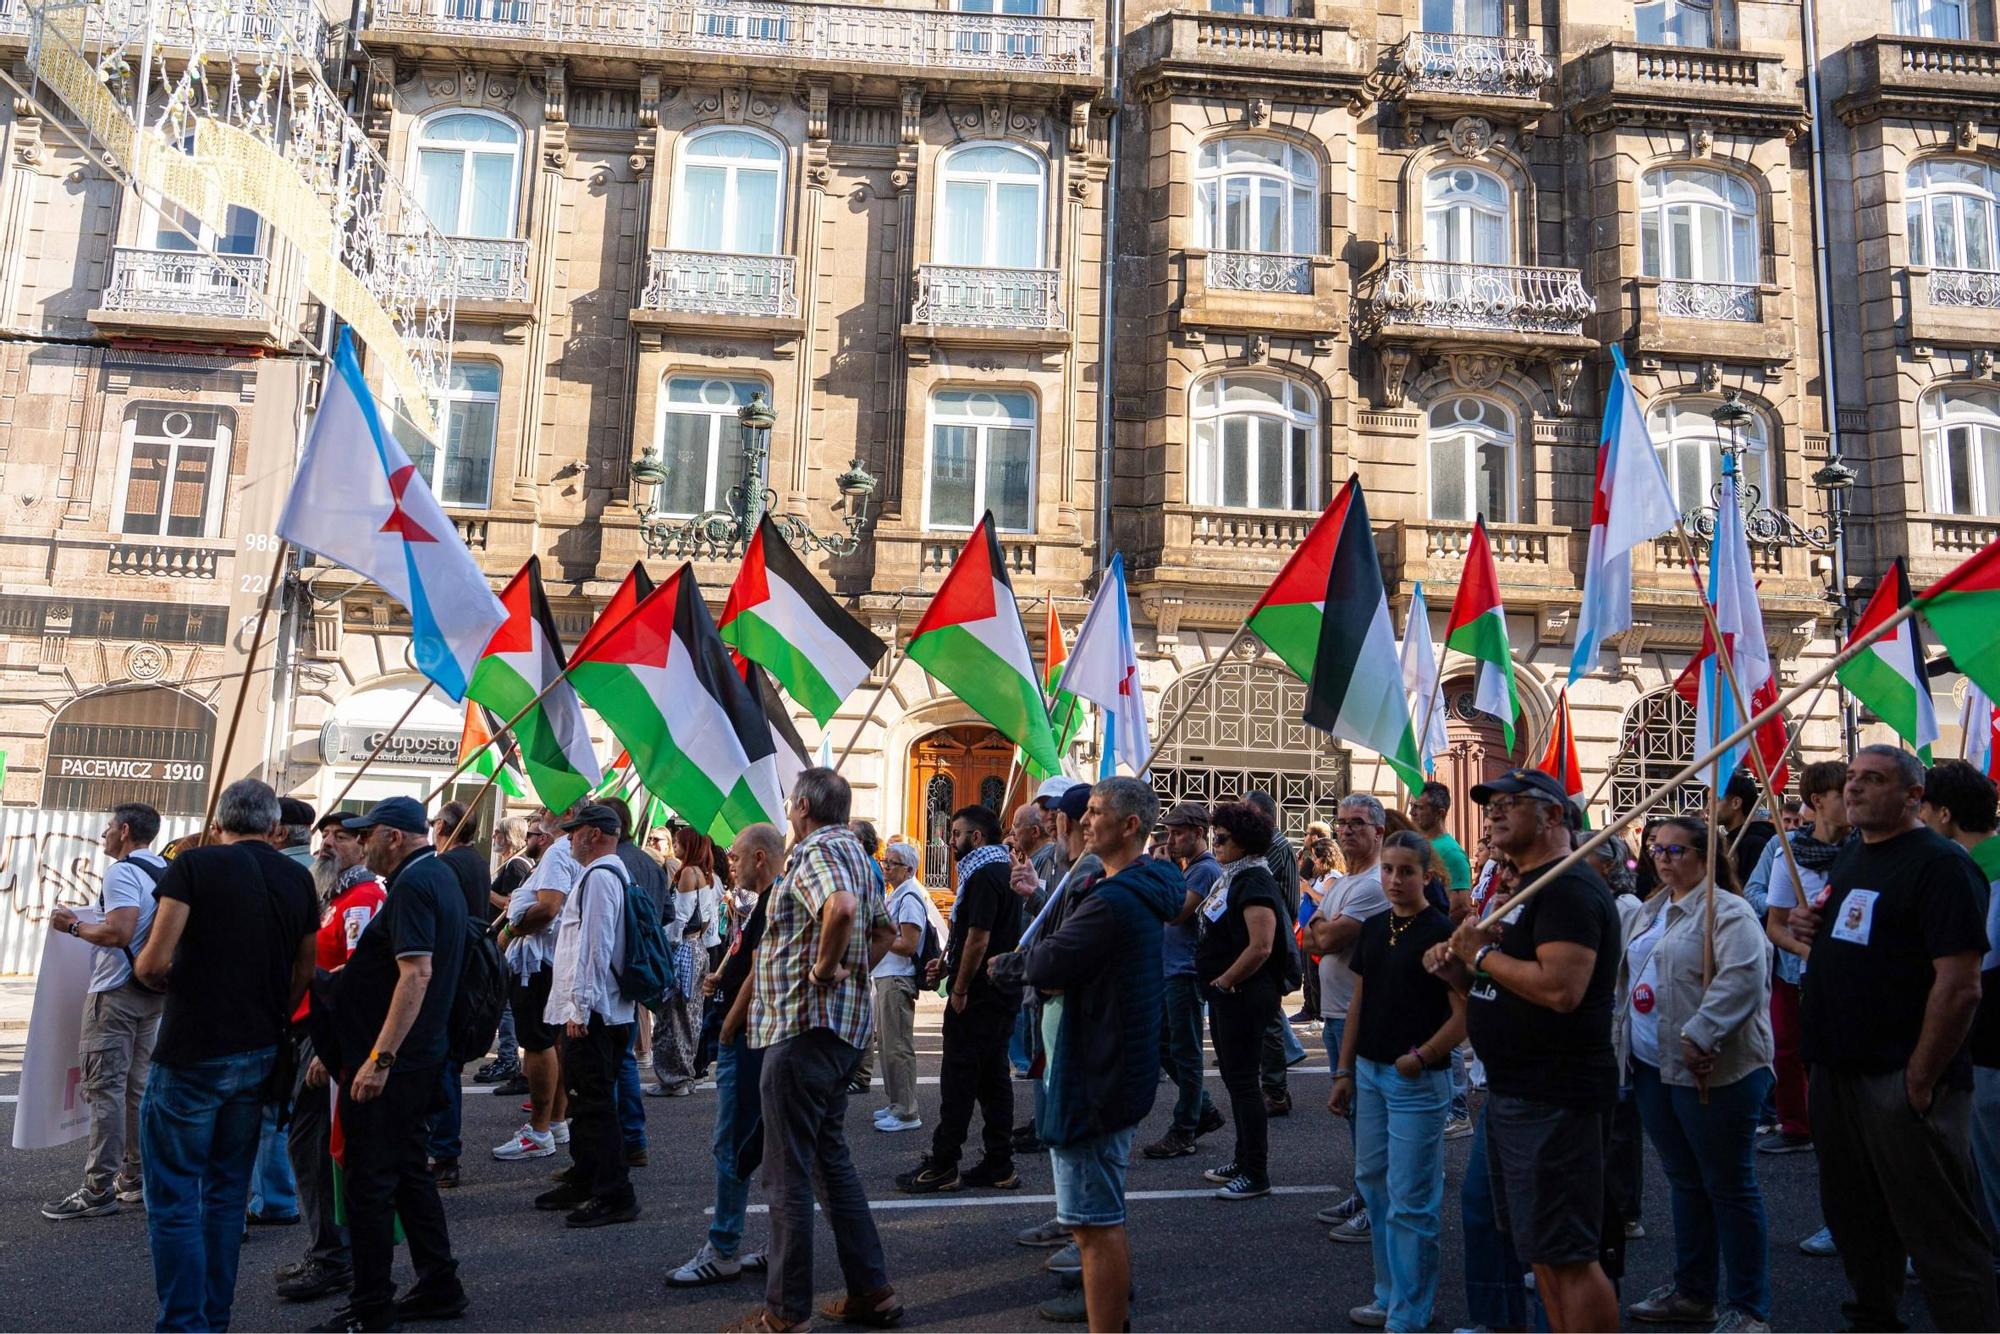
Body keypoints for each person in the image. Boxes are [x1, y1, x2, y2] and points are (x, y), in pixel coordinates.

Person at [1789, 745, 1998, 1330]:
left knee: (1939, 1232)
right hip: (1838, 1071)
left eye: (1873, 780)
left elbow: (1960, 986)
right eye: (1852, 778)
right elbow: (1861, 930)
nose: (1853, 789)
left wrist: (1920, 1079)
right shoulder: (1854, 854)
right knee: (1857, 1222)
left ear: (1914, 797)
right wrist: (1813, 924)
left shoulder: (1941, 864)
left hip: (1898, 1079)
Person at [1424, 767, 1622, 1333]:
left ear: (1554, 815)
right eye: (1491, 806)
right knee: (1541, 1253)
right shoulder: (1529, 890)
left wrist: (1481, 956)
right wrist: (1460, 970)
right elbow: (1499, 988)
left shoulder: (1567, 889)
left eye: (1511, 804)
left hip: (1555, 1095)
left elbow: (1561, 990)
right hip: (1516, 1094)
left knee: (1568, 1256)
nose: (1494, 813)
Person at [991, 776, 1183, 1333]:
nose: (1083, 820)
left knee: (1096, 1227)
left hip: (1095, 1074)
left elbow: (1048, 962)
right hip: (1107, 1066)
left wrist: (1019, 968)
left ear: (1130, 826)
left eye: (1096, 812)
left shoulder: (1115, 899)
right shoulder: (1125, 888)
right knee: (1095, 1220)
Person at [132, 779, 317, 1334]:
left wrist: (167, 977)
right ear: (274, 828)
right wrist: (272, 1008)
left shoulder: (194, 866)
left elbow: (150, 964)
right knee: (226, 1195)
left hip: (191, 1050)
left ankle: (185, 1323)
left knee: (173, 1198)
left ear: (220, 824)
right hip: (261, 1048)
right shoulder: (297, 877)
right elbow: (303, 972)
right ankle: (214, 1318)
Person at [732, 767, 898, 1333]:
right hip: (839, 1032)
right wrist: (850, 976)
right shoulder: (858, 852)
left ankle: (785, 1314)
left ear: (802, 806)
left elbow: (844, 909)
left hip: (803, 1031)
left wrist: (826, 969)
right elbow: (882, 933)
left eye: (789, 804)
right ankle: (872, 1291)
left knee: (788, 1175)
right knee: (830, 1163)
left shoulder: (816, 853)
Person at [313, 795, 469, 1332]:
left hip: (398, 1063)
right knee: (406, 1175)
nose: (360, 844)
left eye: (368, 833)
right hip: (413, 1057)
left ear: (393, 837)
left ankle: (372, 1309)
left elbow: (416, 975)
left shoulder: (416, 884)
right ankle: (439, 1284)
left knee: (371, 1184)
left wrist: (379, 1058)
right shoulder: (434, 877)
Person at [1619, 817, 1775, 1332]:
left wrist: (1703, 1033)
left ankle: (1749, 1307)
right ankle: (1694, 1290)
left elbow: (1743, 976)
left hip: (1714, 1068)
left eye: (1676, 850)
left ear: (1706, 856)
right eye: (1656, 849)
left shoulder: (1727, 912)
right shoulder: (1650, 909)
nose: (1663, 858)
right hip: (1652, 1065)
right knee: (1684, 1180)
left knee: (1728, 1184)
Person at [1330, 832, 1464, 1331]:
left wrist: (1423, 1055)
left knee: (1411, 1199)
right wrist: (1344, 1071)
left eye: (1405, 871)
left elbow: (1463, 1015)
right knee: (1375, 1186)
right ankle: (1387, 1294)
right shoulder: (1373, 926)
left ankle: (1411, 1309)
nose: (1393, 880)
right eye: (1387, 870)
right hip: (1368, 1072)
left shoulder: (1439, 933)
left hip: (1415, 1081)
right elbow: (1358, 1004)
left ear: (1427, 877)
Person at [275, 811, 386, 1304]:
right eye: (326, 835)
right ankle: (326, 1249)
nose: (328, 844)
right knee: (306, 1144)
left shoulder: (364, 898)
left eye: (342, 837)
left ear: (364, 846)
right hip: (305, 1030)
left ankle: (332, 1258)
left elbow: (358, 980)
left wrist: (332, 1046)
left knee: (317, 1146)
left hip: (328, 1040)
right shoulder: (332, 896)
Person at [669, 822, 784, 1288]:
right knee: (767, 1144)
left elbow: (760, 972)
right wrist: (722, 975)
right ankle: (778, 1243)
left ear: (760, 857)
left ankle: (723, 1246)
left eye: (735, 856)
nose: (728, 863)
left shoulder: (775, 899)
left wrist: (729, 1027)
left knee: (733, 1144)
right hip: (755, 1035)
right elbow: (746, 958)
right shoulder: (763, 902)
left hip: (750, 1037)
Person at [42, 801, 167, 1222]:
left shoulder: (122, 872)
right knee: (137, 1087)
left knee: (105, 1089)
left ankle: (98, 1187)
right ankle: (133, 1177)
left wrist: (73, 927)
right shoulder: (165, 872)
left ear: (126, 830)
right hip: (153, 991)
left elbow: (119, 931)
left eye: (109, 827)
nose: (103, 835)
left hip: (115, 993)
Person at [897, 802, 1024, 1193]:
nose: (949, 841)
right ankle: (999, 1164)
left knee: (959, 1082)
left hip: (980, 997)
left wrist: (961, 988)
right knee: (992, 1080)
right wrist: (946, 965)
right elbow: (974, 938)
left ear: (977, 837)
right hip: (996, 993)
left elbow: (980, 937)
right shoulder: (999, 869)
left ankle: (944, 1164)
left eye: (955, 834)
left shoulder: (985, 874)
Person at [532, 804, 643, 1229]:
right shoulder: (605, 874)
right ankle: (585, 1176)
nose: (569, 837)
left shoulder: (600, 877)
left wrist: (579, 1007)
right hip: (600, 1009)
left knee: (594, 1104)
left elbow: (595, 946)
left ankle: (615, 1193)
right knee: (583, 1100)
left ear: (594, 834)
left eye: (575, 831)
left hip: (595, 1013)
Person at [1305, 793, 1390, 1241]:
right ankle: (1364, 1191)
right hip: (1335, 1013)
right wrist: (1320, 931)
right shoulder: (1342, 882)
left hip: (1356, 1014)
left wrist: (1321, 929)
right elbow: (1310, 937)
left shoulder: (1375, 884)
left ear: (1378, 831)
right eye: (1341, 822)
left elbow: (1327, 938)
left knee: (1367, 1116)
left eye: (1357, 822)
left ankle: (1378, 1204)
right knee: (1354, 1114)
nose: (1346, 830)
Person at [1921, 760, 2000, 1241]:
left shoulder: (1976, 872)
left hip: (1990, 1042)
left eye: (1924, 810)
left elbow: (1975, 971)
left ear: (1944, 814)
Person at [1195, 799, 1288, 1200]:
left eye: (1223, 837)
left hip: (1244, 994)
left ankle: (1256, 1171)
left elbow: (1261, 946)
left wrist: (1225, 982)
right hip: (1229, 995)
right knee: (1235, 1081)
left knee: (1245, 1083)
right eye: (1215, 835)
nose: (1215, 842)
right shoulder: (1234, 876)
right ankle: (1242, 1156)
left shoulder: (1253, 880)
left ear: (1246, 841)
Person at [1759, 760, 1849, 1160]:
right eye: (1845, 792)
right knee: (1796, 1051)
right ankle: (1802, 1127)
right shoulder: (1787, 854)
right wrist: (1809, 951)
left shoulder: (1869, 848)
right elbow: (1775, 925)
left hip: (1861, 976)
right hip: (1802, 973)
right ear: (1819, 800)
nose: (1854, 798)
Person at [1142, 801, 1224, 1160]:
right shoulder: (1187, 868)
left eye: (1178, 833)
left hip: (1185, 973)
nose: (1171, 840)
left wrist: (1163, 872)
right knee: (1162, 1046)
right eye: (1169, 833)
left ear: (1198, 833)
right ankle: (1202, 1107)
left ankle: (1185, 1128)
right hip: (1167, 970)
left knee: (1187, 1053)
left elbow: (1176, 913)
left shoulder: (1204, 870)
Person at [494, 809, 576, 1161]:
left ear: (568, 811)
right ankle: (555, 1121)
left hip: (539, 961)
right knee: (552, 1042)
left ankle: (540, 1130)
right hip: (552, 960)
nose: (540, 813)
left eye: (546, 808)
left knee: (539, 1043)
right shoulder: (565, 850)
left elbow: (549, 907)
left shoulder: (559, 851)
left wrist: (509, 931)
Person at [425, 800, 491, 1189]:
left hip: (452, 971)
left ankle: (444, 1152)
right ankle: (442, 1148)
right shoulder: (475, 860)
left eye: (435, 823)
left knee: (443, 1064)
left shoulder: (448, 864)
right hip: (466, 969)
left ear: (445, 826)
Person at [604, 796, 665, 1163]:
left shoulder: (611, 864)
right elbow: (667, 913)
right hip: (642, 968)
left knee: (609, 1060)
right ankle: (633, 1137)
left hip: (615, 971)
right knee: (624, 1057)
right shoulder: (650, 863)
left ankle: (616, 1139)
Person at [1244, 790, 1304, 1116]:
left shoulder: (1277, 846)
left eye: (1247, 813)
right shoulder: (1257, 847)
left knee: (1269, 1019)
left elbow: (1289, 904)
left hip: (1272, 939)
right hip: (1259, 936)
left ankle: (1276, 1090)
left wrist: (1279, 933)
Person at [651, 825, 717, 1097]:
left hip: (684, 948)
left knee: (674, 1016)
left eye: (678, 843)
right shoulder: (706, 874)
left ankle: (674, 1078)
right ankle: (684, 1075)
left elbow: (679, 918)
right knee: (690, 1016)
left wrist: (664, 941)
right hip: (698, 948)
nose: (675, 847)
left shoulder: (689, 873)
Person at [868, 841, 929, 1134]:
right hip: (886, 976)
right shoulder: (898, 894)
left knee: (898, 1046)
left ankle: (906, 1110)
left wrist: (879, 937)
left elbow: (908, 944)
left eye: (891, 863)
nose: (886, 867)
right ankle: (896, 1103)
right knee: (888, 1047)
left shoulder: (910, 896)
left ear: (908, 869)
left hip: (897, 977)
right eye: (885, 861)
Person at [476, 816, 535, 1088]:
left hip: (506, 942)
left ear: (509, 836)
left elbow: (510, 904)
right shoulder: (517, 864)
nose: (493, 837)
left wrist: (485, 891)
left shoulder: (516, 866)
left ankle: (509, 1056)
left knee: (506, 1004)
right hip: (506, 941)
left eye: (498, 832)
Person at [1409, 782, 1473, 916]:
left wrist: (1434, 933)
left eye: (1418, 807)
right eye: (1411, 806)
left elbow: (1461, 907)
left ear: (1440, 813)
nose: (1412, 812)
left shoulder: (1453, 853)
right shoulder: (1415, 844)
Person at [1718, 772, 1777, 896]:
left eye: (1716, 800)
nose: (1708, 807)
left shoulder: (1755, 844)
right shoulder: (1728, 841)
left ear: (1735, 803)